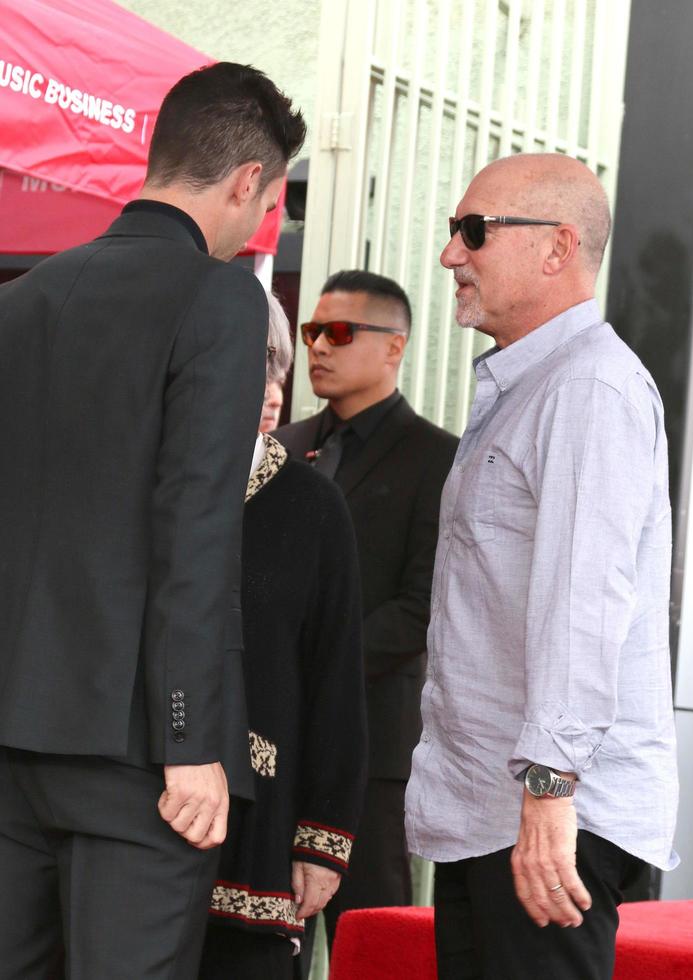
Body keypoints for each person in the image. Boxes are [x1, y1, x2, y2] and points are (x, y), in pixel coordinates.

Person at [0, 62, 305, 979]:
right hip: (138, 757)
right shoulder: (220, 297)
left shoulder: (21, 301)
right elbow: (194, 527)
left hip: (13, 741)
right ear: (250, 182)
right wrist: (191, 741)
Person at [405, 153, 679, 980]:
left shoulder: (590, 388)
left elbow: (584, 601)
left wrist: (550, 792)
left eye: (475, 231)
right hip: (499, 813)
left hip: (549, 823)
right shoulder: (537, 384)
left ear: (558, 248)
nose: (452, 253)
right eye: (455, 231)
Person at [275, 270, 458, 945]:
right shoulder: (283, 448)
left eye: (340, 332)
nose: (318, 346)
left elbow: (423, 608)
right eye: (311, 331)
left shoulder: (439, 460)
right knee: (263, 933)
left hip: (372, 750)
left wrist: (310, 665)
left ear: (394, 347)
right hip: (270, 741)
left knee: (372, 939)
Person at [199, 293, 367, 980]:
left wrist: (321, 842)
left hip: (259, 825)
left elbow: (335, 680)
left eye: (266, 369)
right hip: (131, 819)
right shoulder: (134, 486)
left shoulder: (311, 505)